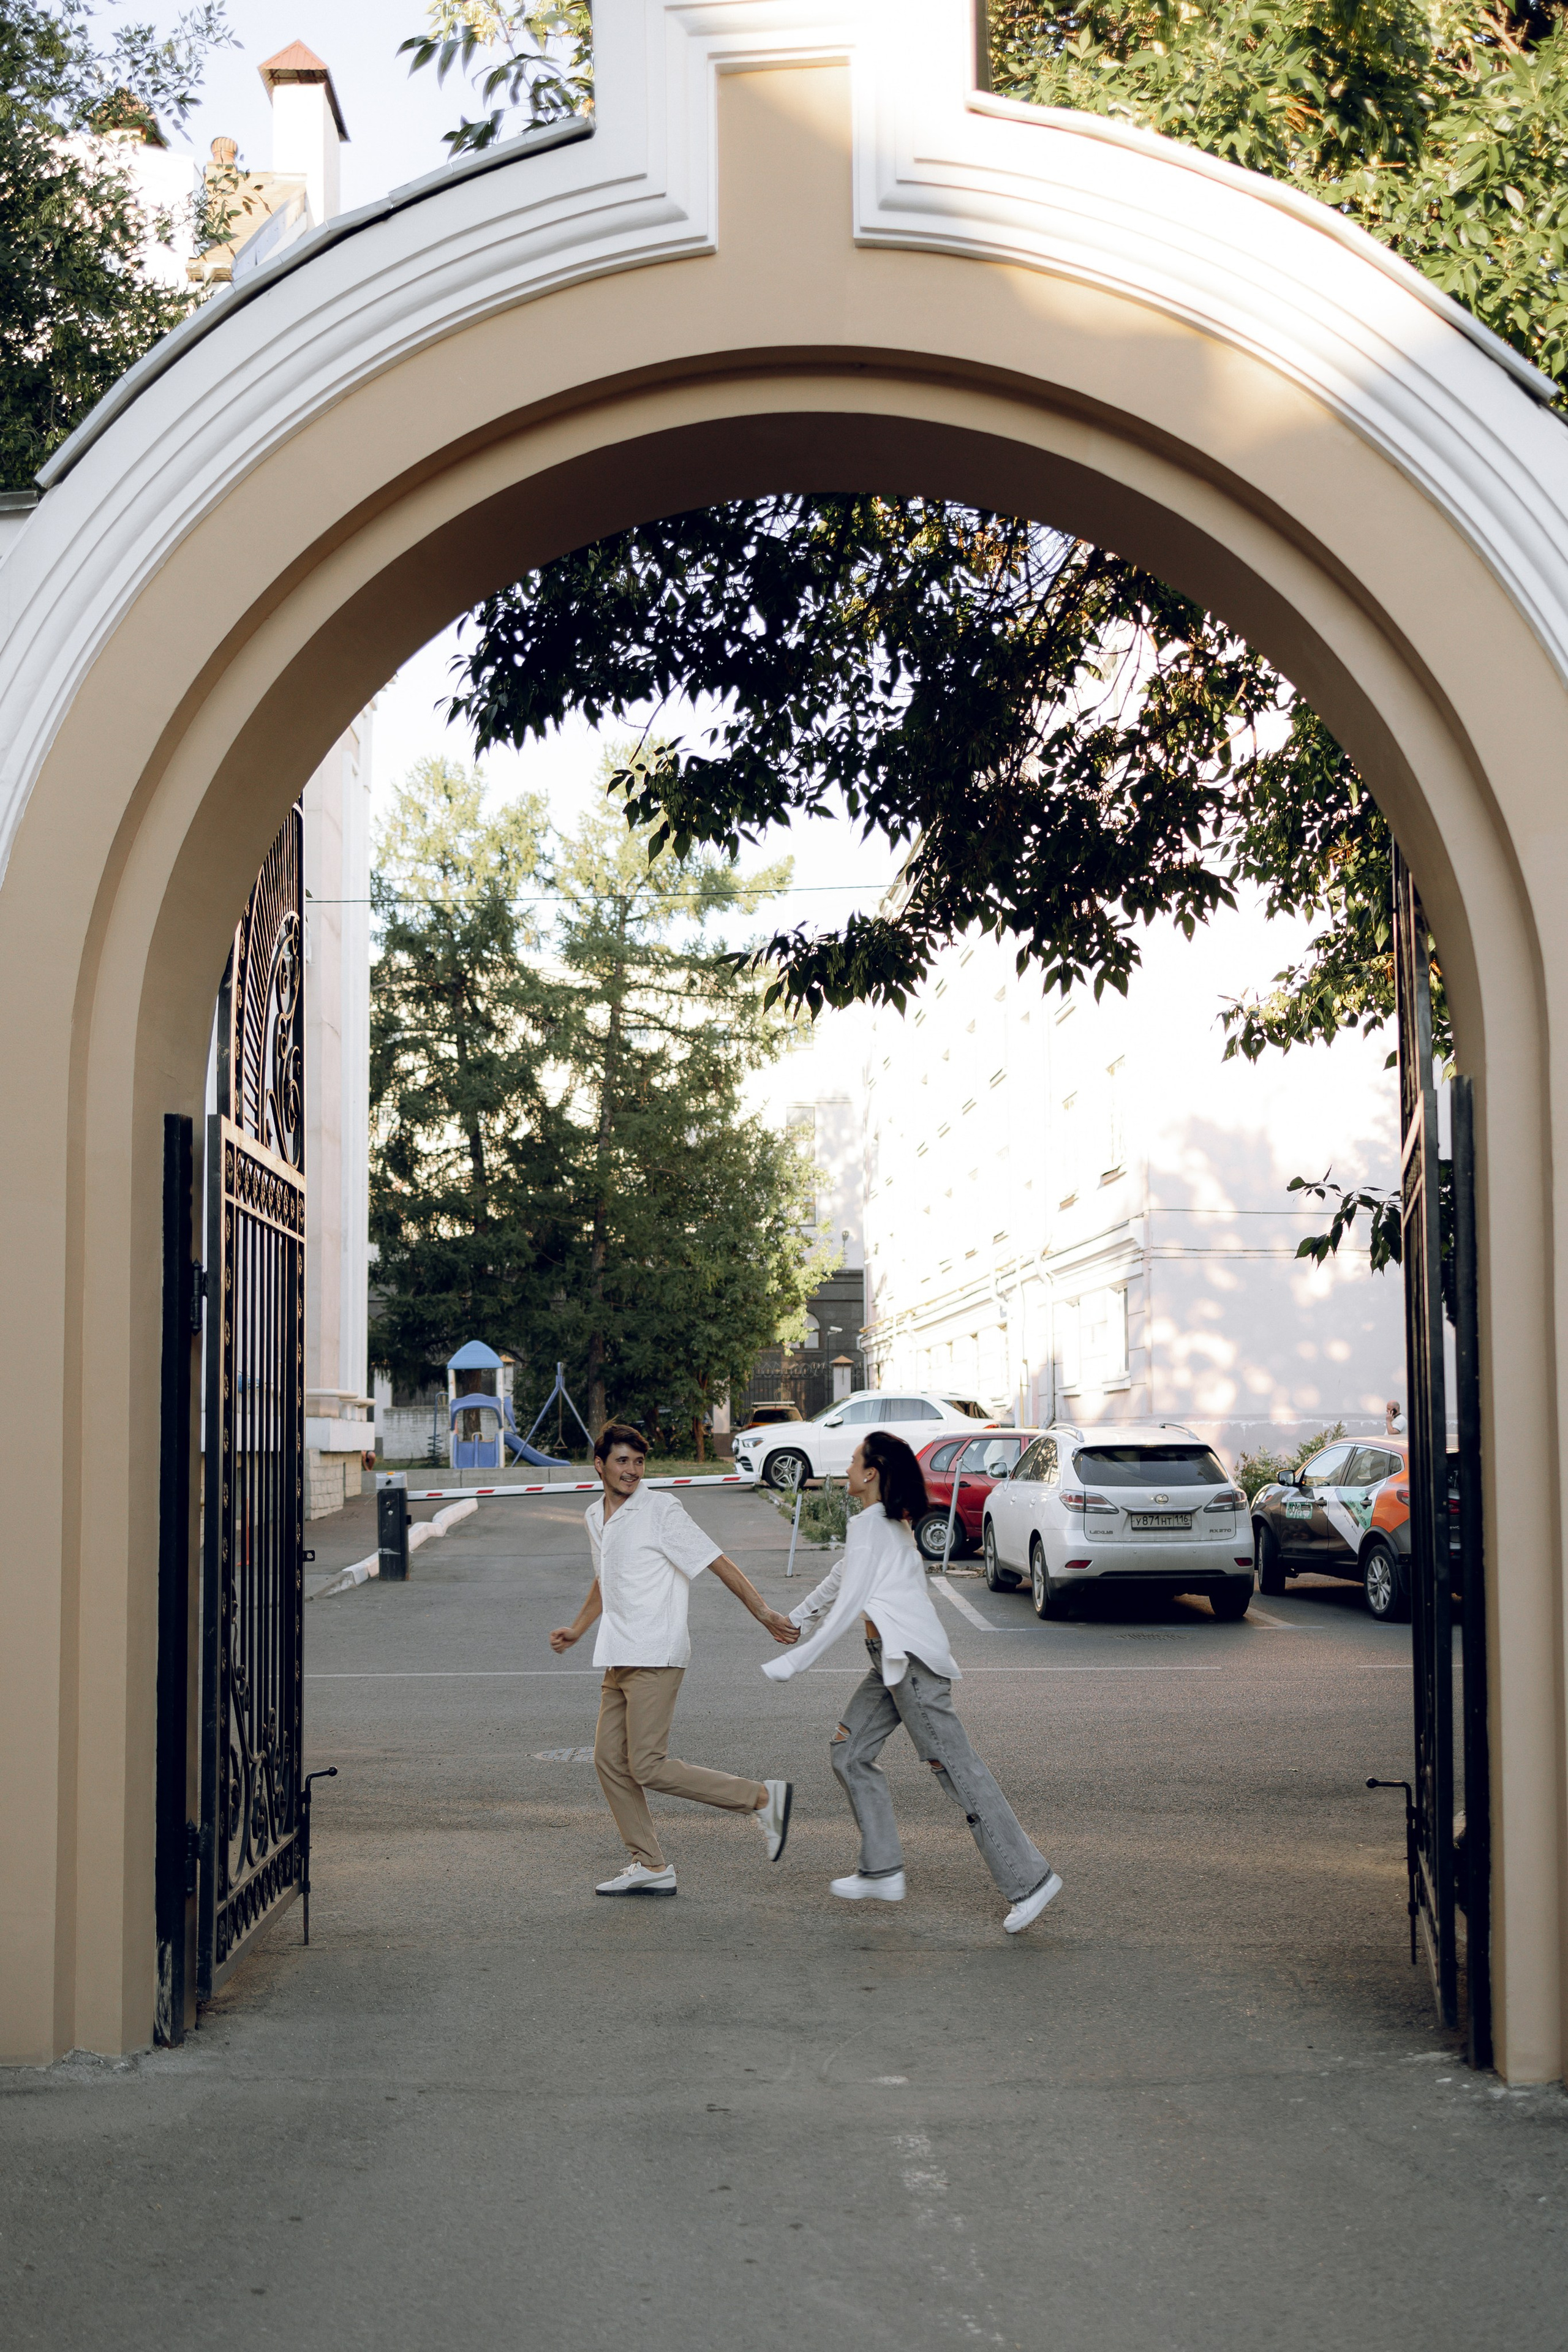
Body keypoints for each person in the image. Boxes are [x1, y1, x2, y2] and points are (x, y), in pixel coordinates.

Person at [762, 1428, 1062, 1935]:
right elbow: (844, 1577)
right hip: (891, 1662)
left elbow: (850, 1603)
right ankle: (881, 1869)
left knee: (959, 1772)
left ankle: (1029, 1881)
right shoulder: (880, 1524)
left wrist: (797, 1659)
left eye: (855, 1459)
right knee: (850, 1752)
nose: (849, 1468)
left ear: (872, 1471)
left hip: (913, 1667)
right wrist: (797, 1617)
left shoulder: (877, 1526)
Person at [550, 1421, 799, 1897]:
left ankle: (764, 1798)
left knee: (646, 1765)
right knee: (608, 1760)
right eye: (622, 1461)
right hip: (618, 1653)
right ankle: (651, 1865)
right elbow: (606, 1579)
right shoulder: (593, 1516)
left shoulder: (661, 1509)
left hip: (657, 1651)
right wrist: (579, 1629)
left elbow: (716, 1560)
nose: (632, 1471)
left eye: (639, 1462)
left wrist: (763, 1612)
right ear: (599, 1465)